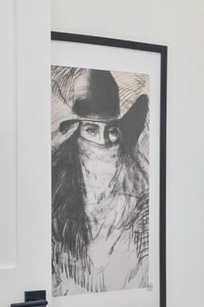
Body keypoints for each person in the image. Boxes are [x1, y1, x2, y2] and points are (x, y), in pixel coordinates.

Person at [52, 68, 150, 294]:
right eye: (91, 129)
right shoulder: (58, 193)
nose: (104, 141)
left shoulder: (138, 188)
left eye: (112, 131)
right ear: (76, 135)